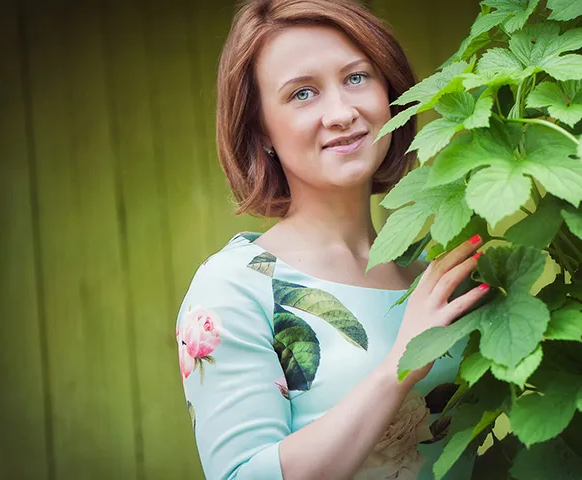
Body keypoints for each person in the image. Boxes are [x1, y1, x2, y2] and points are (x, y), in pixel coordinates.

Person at [174, 0, 491, 478]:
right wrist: (399, 368)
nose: (342, 112)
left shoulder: (435, 268)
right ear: (260, 129)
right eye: (303, 93)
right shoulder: (232, 289)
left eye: (357, 77)